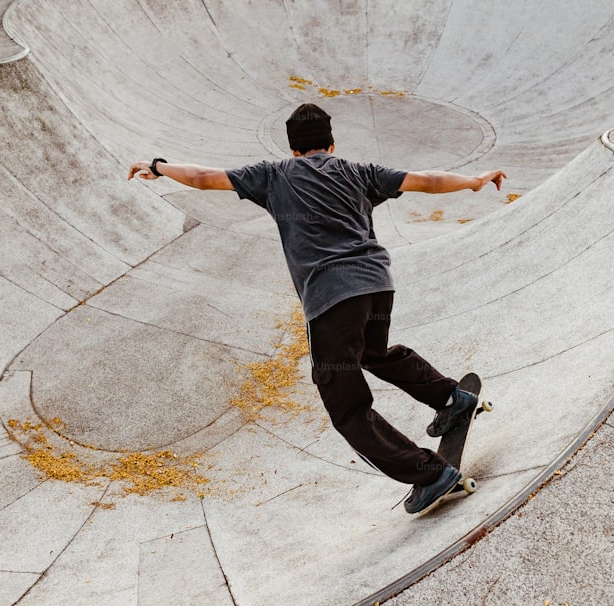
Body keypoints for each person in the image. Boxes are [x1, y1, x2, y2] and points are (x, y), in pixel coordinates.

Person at [128, 103, 505, 514]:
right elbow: (428, 181)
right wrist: (474, 181)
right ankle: (451, 400)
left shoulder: (272, 176)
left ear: (292, 150)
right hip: (377, 285)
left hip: (331, 298)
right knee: (373, 354)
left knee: (347, 408)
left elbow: (202, 177)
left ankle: (430, 474)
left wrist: (158, 166)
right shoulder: (360, 172)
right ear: (332, 143)